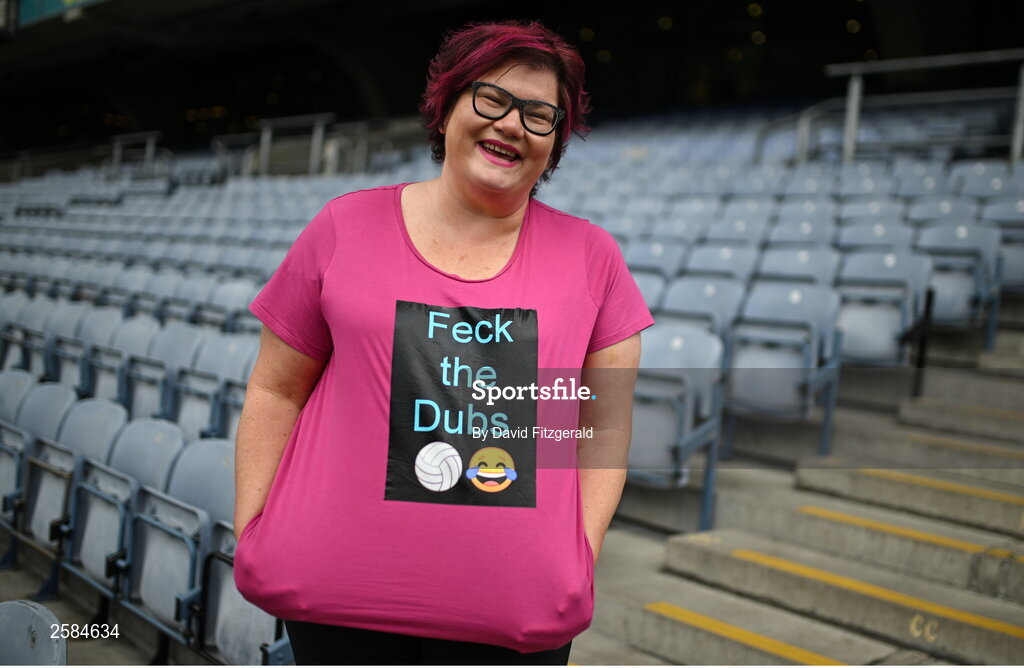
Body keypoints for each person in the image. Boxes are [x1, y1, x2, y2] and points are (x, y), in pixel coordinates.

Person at [233, 19, 653, 666]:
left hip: (512, 617)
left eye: (539, 115)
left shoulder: (593, 260)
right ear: (448, 104)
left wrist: (578, 554)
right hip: (336, 604)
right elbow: (276, 388)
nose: (512, 124)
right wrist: (254, 526)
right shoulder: (343, 228)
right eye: (492, 98)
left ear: (555, 141)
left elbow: (600, 431)